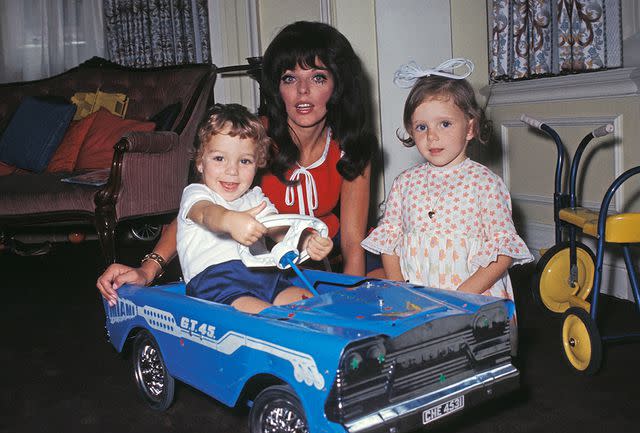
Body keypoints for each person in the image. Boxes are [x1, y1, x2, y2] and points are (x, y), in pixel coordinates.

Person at [97, 21, 377, 304]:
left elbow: (354, 244)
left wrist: (350, 306)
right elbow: (196, 211)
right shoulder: (250, 139)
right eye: (290, 78)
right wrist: (147, 269)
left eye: (318, 78)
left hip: (317, 254)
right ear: (277, 87)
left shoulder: (351, 145)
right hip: (249, 265)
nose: (302, 91)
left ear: (337, 85)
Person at [361, 59, 533, 300]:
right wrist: (399, 286)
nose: (432, 136)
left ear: (470, 128)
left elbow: (503, 252)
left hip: (473, 295)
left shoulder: (485, 183)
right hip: (417, 296)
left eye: (445, 124)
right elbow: (389, 241)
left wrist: (462, 295)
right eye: (421, 127)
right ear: (411, 130)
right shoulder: (404, 183)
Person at [140, 103, 332, 314]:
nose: (232, 171)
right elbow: (206, 214)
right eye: (219, 158)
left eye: (244, 161)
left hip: (266, 276)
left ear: (258, 162)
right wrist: (229, 221)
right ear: (200, 162)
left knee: (314, 308)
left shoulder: (255, 197)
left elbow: (279, 231)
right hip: (218, 284)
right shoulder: (197, 194)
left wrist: (306, 241)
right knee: (267, 319)